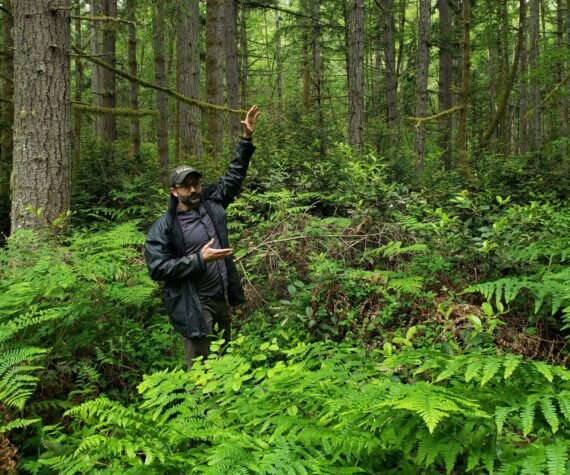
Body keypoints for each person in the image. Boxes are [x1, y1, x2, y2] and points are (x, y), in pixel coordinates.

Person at [144, 105, 260, 370]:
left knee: (224, 361)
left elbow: (234, 175)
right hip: (196, 304)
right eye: (186, 186)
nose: (194, 189)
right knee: (201, 368)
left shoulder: (212, 202)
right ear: (174, 191)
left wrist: (246, 139)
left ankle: (224, 408)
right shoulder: (164, 227)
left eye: (196, 183)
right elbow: (158, 268)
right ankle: (199, 410)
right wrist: (199, 259)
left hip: (221, 298)